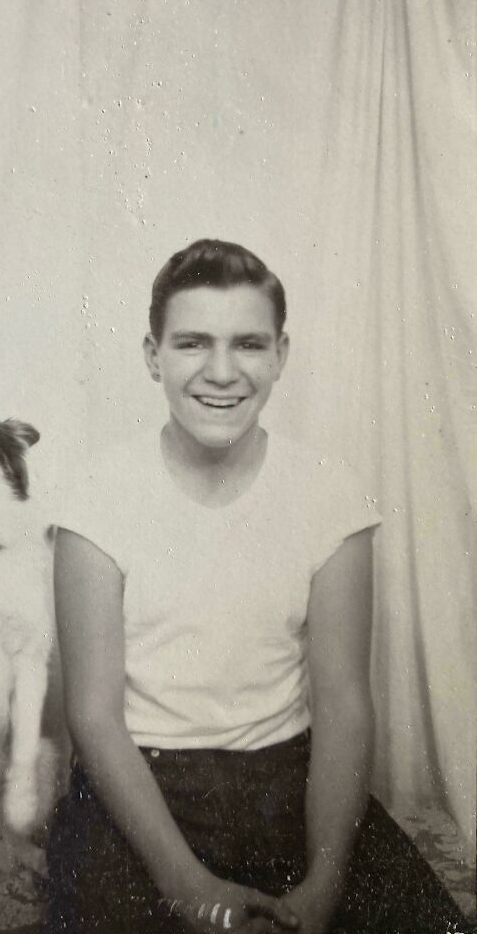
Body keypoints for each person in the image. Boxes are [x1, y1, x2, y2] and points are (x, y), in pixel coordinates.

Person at [46, 239, 468, 934]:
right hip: (140, 790)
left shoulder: (331, 496)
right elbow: (92, 716)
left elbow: (343, 702)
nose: (221, 372)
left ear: (281, 355)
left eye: (248, 344)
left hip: (288, 782)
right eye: (192, 344)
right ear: (153, 355)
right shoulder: (94, 498)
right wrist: (186, 883)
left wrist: (326, 877)